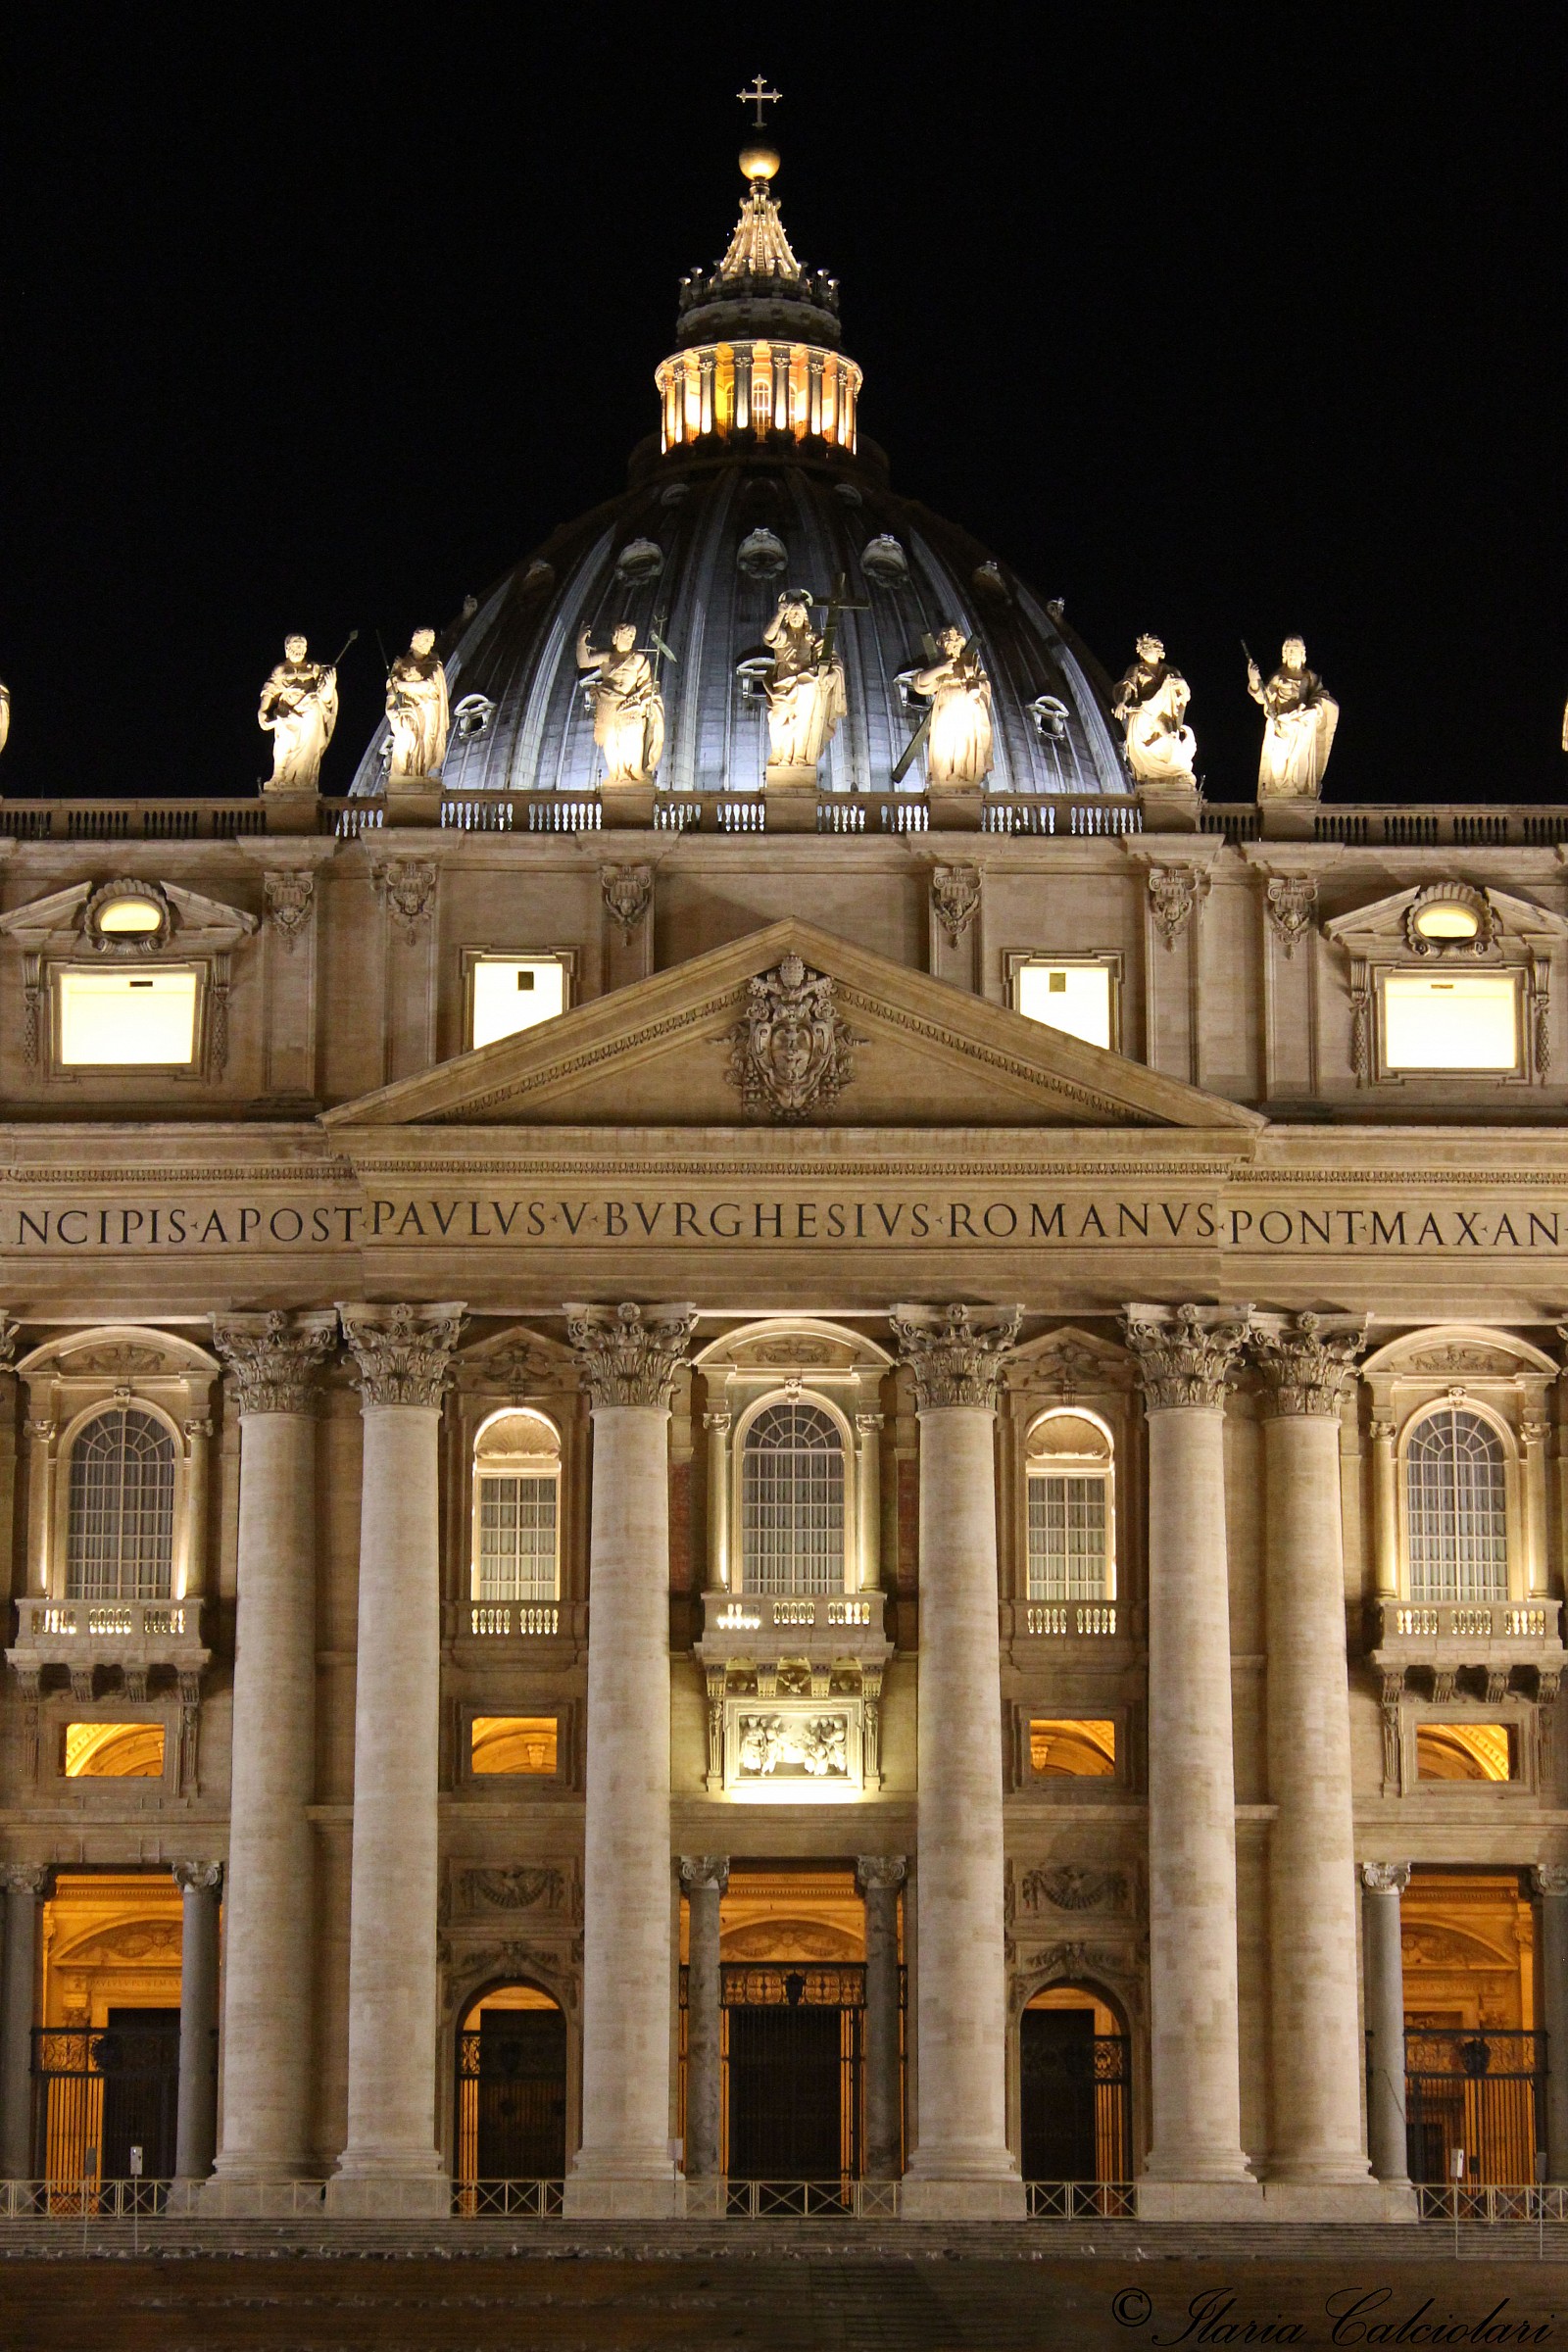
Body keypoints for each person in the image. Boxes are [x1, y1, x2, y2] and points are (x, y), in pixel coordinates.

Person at [761, 591, 845, 773]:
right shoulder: (783, 636)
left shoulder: (813, 638)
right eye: (792, 614)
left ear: (806, 616)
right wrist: (780, 613)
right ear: (787, 617)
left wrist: (832, 675)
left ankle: (799, 756)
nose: (796, 616)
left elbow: (832, 660)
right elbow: (768, 636)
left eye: (799, 613)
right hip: (782, 686)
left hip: (805, 686)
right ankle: (779, 754)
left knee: (803, 722)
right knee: (776, 721)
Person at [575, 622, 665, 786]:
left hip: (630, 706)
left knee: (634, 739)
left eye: (632, 636)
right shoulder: (606, 657)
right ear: (616, 637)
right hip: (608, 706)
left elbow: (646, 684)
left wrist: (648, 701)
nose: (630, 638)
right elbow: (584, 662)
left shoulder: (638, 659)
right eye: (626, 635)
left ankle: (635, 771)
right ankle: (617, 774)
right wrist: (581, 643)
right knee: (610, 741)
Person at [1247, 637, 1339, 797]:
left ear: (1303, 654)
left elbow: (1321, 696)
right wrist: (1254, 680)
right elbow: (1264, 698)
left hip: (1302, 725)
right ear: (1284, 654)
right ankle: (1281, 790)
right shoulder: (1278, 678)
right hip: (1282, 725)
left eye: (1295, 649)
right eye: (1288, 649)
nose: (1292, 653)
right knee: (1279, 762)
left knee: (1299, 762)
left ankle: (1296, 790)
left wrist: (1314, 708)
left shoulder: (1310, 677)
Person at [910, 626, 993, 786]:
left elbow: (984, 684)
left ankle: (962, 776)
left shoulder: (971, 663)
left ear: (960, 642)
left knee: (964, 747)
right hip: (945, 706)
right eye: (947, 641)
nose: (951, 644)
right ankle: (945, 778)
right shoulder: (938, 664)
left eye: (954, 640)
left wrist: (977, 687)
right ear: (942, 644)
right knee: (944, 745)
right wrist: (940, 669)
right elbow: (919, 683)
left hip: (965, 707)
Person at [1112, 634, 1197, 784]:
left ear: (1159, 651)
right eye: (1142, 648)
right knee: (1155, 704)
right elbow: (1128, 686)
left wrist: (1181, 684)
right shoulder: (1136, 669)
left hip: (1163, 711)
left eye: (1148, 647)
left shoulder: (1170, 670)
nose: (1144, 650)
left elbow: (1185, 693)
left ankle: (1169, 741)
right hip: (1144, 712)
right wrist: (1122, 703)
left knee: (1169, 685)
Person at [258, 636, 338, 790]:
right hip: (287, 711)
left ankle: (302, 777)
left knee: (314, 716)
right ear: (287, 648)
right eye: (295, 645)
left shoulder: (314, 668)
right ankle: (279, 775)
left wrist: (330, 685)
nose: (299, 649)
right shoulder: (280, 670)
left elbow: (325, 697)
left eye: (302, 645)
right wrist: (262, 710)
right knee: (284, 739)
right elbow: (269, 690)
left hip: (310, 708)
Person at [385, 627, 451, 782]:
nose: (427, 644)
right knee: (404, 740)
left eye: (430, 641)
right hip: (407, 711)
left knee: (424, 745)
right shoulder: (401, 665)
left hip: (428, 712)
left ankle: (418, 774)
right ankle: (402, 778)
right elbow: (391, 690)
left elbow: (429, 686)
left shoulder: (435, 665)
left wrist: (403, 686)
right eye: (424, 640)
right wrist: (389, 710)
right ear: (415, 641)